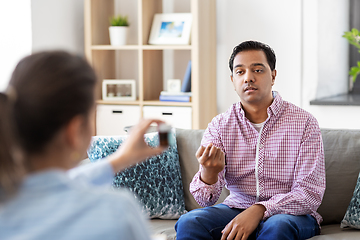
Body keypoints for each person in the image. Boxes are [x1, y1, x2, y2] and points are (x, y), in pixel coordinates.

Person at [0, 51, 166, 240]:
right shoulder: (115, 213)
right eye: (93, 113)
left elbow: (53, 185)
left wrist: (119, 160)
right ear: (75, 130)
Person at [175, 41, 326, 240]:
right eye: (240, 72)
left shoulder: (305, 123)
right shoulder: (220, 125)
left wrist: (259, 209)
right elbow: (204, 200)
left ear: (273, 75)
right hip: (236, 209)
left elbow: (309, 194)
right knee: (189, 222)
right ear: (232, 80)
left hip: (289, 215)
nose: (248, 78)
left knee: (278, 226)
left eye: (257, 70)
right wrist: (208, 173)